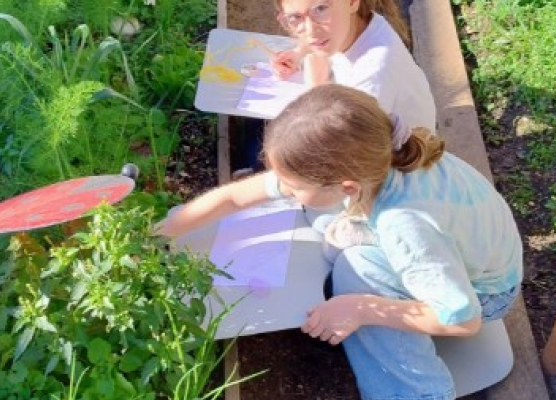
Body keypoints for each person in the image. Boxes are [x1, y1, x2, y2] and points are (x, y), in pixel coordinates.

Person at [159, 84, 523, 400]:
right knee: (318, 215)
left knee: (357, 271)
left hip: (481, 294)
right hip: (448, 256)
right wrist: (168, 227)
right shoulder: (374, 155)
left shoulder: (404, 225)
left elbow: (463, 320)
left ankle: (414, 390)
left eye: (295, 186)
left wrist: (360, 308)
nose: (284, 191)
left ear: (347, 188)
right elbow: (240, 196)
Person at [235, 0, 436, 175]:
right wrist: (299, 52)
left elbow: (330, 148)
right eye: (295, 18)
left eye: (321, 8)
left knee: (271, 145)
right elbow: (318, 30)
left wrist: (316, 90)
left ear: (352, 2)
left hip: (392, 164)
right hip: (359, 132)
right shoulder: (358, 25)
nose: (311, 31)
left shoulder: (373, 76)